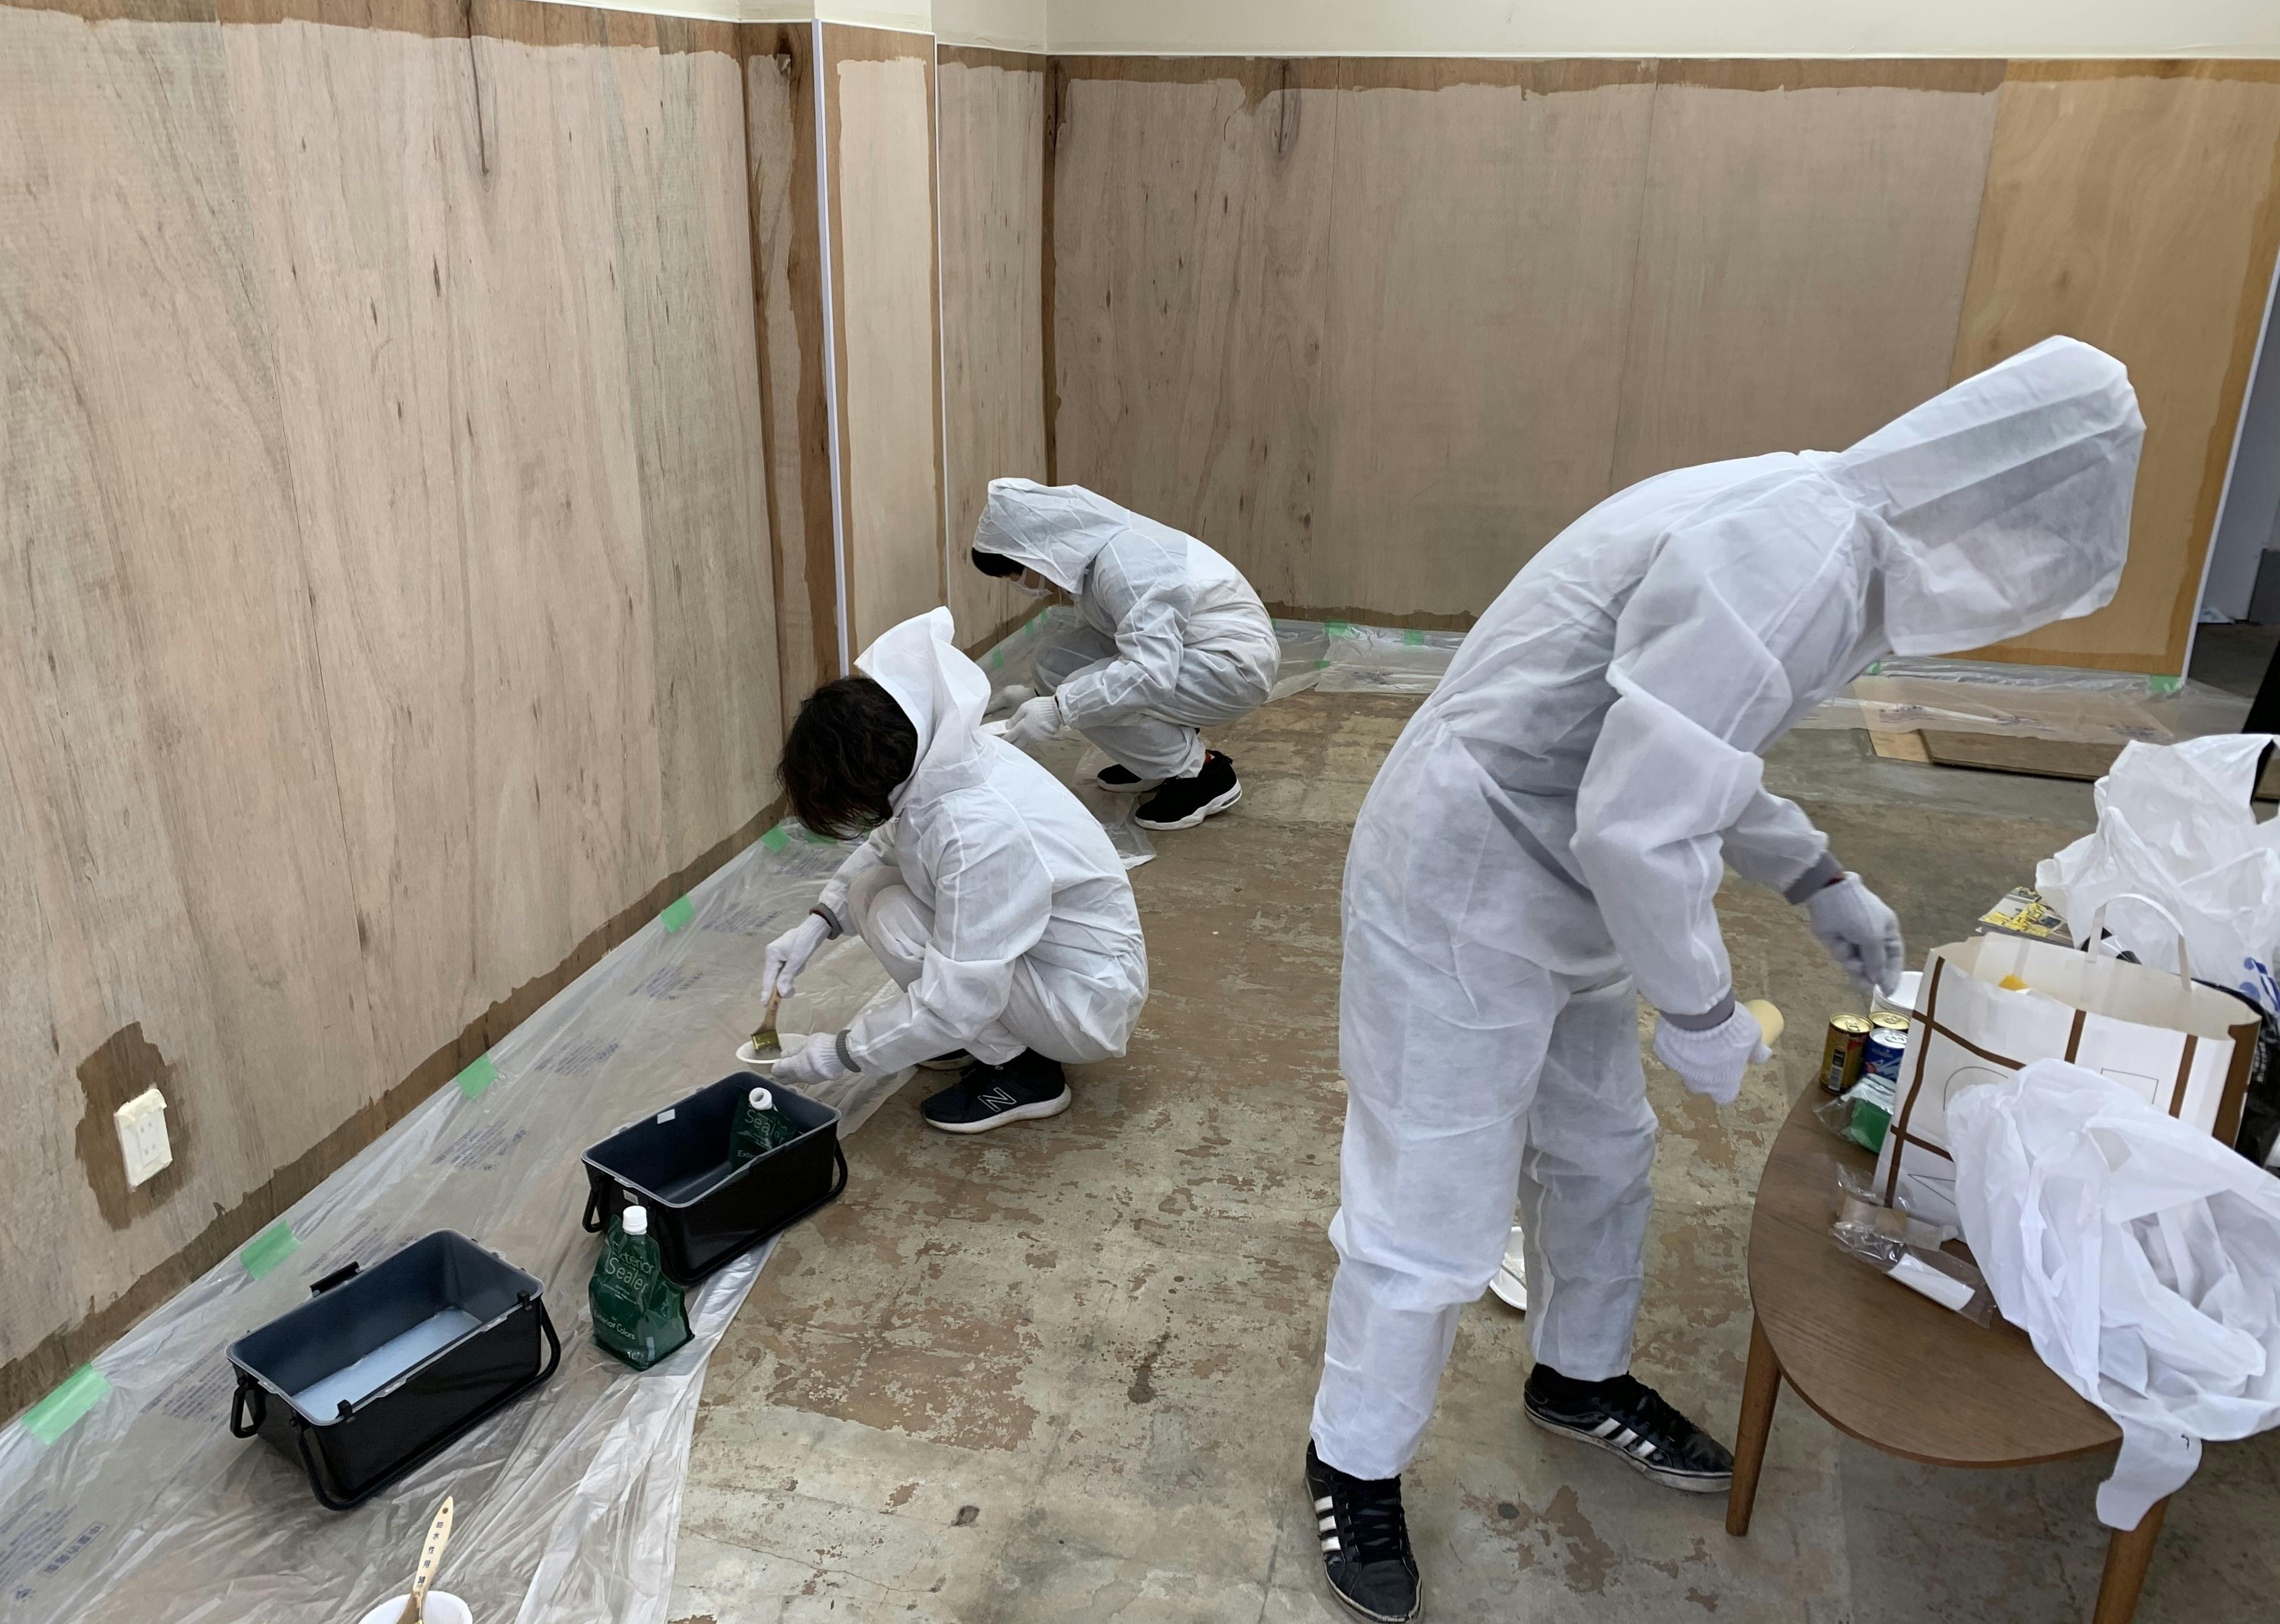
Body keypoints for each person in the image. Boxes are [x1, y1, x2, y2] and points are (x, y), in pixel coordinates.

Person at [1303, 337, 2144, 1621]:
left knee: (1602, 1151)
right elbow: (1638, 825)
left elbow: (1682, 750)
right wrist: (1697, 1006)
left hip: (1565, 874)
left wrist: (1814, 873)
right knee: (1431, 1201)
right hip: (1466, 883)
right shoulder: (1789, 554)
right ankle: (1352, 1461)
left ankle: (1578, 1376)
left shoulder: (1826, 527)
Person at [761, 608, 1149, 1133]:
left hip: (1082, 1000)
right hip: (1049, 958)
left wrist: (840, 1054)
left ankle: (1026, 1075)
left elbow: (961, 999)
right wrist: (816, 926)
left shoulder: (977, 830)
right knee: (868, 891)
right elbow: (888, 845)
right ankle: (978, 1041)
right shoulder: (939, 758)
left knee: (896, 919)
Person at [970, 479, 1281, 830]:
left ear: (1036, 552)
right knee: (1054, 662)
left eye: (1013, 574)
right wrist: (1036, 695)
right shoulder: (1095, 557)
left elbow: (1150, 674)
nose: (1017, 584)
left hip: (1232, 666)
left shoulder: (1127, 568)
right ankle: (1154, 760)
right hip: (1193, 650)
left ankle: (1201, 773)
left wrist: (1059, 708)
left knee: (1085, 686)